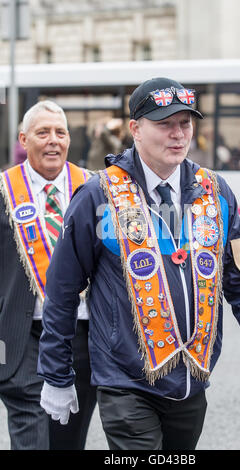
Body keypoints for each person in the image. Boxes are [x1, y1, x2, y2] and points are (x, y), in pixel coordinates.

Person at [38, 78, 240, 451]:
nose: (178, 135)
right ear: (135, 129)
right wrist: (56, 374)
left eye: (185, 124)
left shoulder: (215, 191)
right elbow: (62, 290)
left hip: (191, 380)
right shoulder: (98, 196)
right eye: (164, 124)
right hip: (125, 381)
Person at [0, 100, 97, 450]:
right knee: (30, 427)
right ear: (24, 140)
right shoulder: (3, 190)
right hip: (23, 333)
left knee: (70, 435)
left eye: (60, 132)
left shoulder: (94, 189)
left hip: (82, 332)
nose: (53, 140)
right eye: (43, 133)